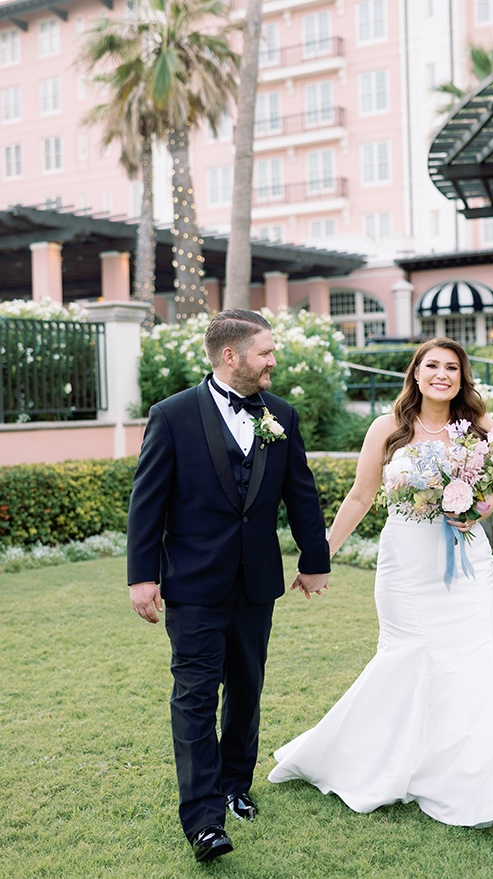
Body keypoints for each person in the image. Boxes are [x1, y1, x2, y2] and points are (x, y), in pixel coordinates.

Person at [270, 337, 493, 828]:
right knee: (407, 658)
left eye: (452, 368)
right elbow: (359, 496)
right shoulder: (387, 427)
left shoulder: (478, 427)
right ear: (416, 374)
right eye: (432, 366)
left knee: (478, 655)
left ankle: (480, 778)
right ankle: (375, 760)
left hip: (468, 563)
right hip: (406, 563)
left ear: (462, 379)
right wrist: (320, 556)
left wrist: (475, 509)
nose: (442, 374)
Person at [127, 309, 330, 863]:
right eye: (265, 352)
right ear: (230, 357)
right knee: (194, 698)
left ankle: (237, 784)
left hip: (256, 583)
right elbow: (147, 503)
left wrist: (316, 560)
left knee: (245, 688)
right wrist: (142, 576)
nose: (273, 361)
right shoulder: (171, 416)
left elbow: (301, 494)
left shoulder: (280, 415)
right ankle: (203, 821)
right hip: (192, 586)